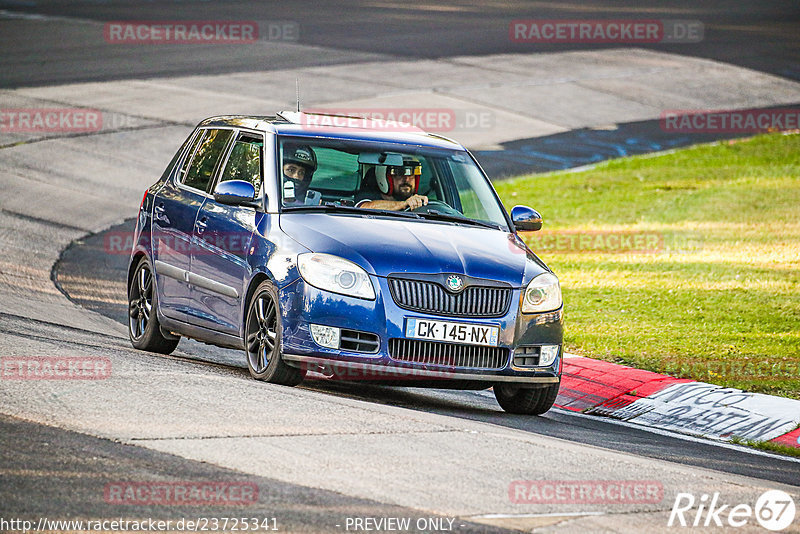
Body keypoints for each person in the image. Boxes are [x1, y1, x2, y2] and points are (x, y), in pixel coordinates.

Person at [356, 157, 428, 211]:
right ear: (383, 176)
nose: (407, 179)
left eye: (412, 174)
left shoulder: (420, 202)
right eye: (399, 173)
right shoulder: (368, 195)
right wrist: (404, 204)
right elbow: (364, 207)